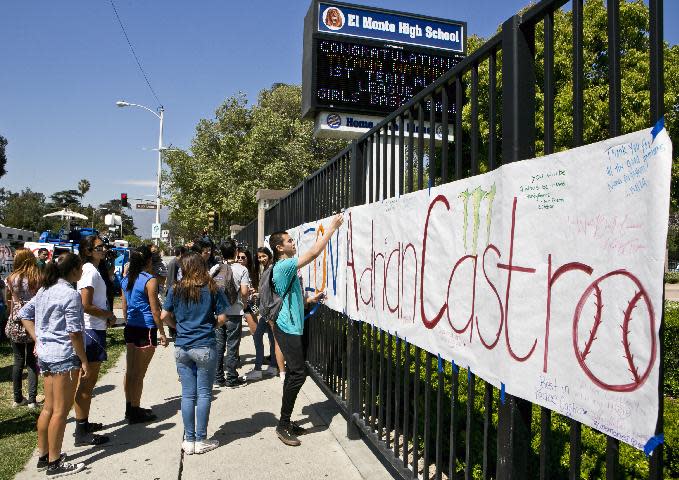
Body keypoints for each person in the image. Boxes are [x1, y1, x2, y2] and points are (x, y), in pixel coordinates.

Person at [269, 213, 343, 446]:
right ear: (280, 248)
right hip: (286, 326)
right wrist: (331, 229)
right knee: (298, 373)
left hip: (292, 324)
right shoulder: (283, 265)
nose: (293, 243)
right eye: (289, 241)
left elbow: (291, 295)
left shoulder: (285, 267)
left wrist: (310, 300)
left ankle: (285, 421)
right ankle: (283, 425)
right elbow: (312, 254)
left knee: (295, 373)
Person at [19, 252, 88, 477]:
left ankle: (44, 455)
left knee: (49, 408)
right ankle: (55, 462)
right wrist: (84, 360)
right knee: (60, 410)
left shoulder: (44, 290)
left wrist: (38, 338)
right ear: (74, 271)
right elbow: (75, 332)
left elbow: (23, 314)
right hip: (64, 357)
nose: (82, 272)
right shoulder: (70, 294)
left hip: (46, 356)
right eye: (81, 268)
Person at [161, 252, 229, 455]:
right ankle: (201, 439)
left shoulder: (176, 289)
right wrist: (210, 327)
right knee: (204, 394)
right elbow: (223, 317)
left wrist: (178, 328)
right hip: (204, 345)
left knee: (188, 395)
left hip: (182, 346)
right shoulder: (212, 288)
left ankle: (189, 440)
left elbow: (164, 316)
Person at [74, 235, 114, 446]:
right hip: (91, 330)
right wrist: (108, 315)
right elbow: (86, 304)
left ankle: (84, 423)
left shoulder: (95, 269)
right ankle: (81, 431)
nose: (104, 249)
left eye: (104, 246)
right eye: (99, 247)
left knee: (88, 383)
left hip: (94, 329)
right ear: (88, 251)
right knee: (87, 383)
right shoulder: (89, 270)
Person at [121, 246, 167, 423]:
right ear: (148, 261)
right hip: (146, 328)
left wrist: (128, 322)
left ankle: (129, 406)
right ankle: (135, 409)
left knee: (130, 371)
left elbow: (124, 306)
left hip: (131, 326)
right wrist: (162, 332)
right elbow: (155, 310)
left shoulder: (126, 280)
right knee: (139, 373)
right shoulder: (150, 280)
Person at [210, 240, 250, 388]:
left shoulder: (215, 268)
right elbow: (245, 292)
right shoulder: (242, 269)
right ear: (235, 252)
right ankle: (232, 378)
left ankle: (217, 377)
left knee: (219, 346)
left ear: (221, 253)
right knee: (233, 345)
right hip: (235, 312)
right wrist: (244, 303)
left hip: (218, 312)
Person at [5, 248, 41, 408]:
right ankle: (32, 399)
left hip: (16, 321)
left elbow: (9, 300)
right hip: (33, 321)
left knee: (18, 360)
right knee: (32, 361)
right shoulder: (37, 277)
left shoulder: (11, 278)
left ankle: (17, 398)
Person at [242, 247, 279, 381]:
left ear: (269, 255)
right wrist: (259, 293)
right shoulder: (267, 269)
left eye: (264, 256)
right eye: (259, 257)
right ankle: (273, 367)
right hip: (267, 310)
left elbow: (274, 291)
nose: (261, 259)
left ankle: (258, 369)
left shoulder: (273, 269)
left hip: (269, 311)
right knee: (271, 338)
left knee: (258, 336)